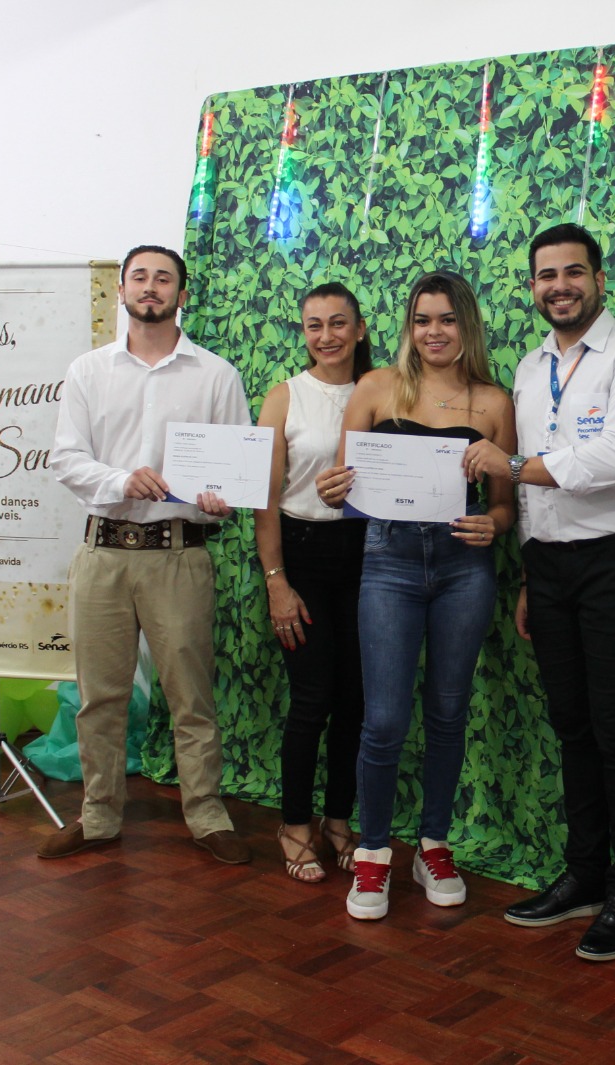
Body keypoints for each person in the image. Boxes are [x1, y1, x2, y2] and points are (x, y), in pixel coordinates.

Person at [462, 223, 615, 962]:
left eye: (573, 272)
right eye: (547, 276)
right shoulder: (528, 365)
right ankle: (583, 874)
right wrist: (527, 571)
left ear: (599, 280)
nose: (560, 287)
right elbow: (534, 492)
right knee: (572, 725)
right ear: (533, 287)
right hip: (548, 566)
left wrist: (512, 465)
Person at [40, 244, 253, 865]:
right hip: (103, 554)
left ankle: (206, 814)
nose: (151, 287)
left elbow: (234, 470)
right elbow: (66, 458)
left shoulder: (216, 375)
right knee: (99, 697)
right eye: (140, 277)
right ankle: (99, 816)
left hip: (178, 555)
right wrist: (121, 480)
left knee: (191, 696)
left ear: (181, 294)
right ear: (122, 291)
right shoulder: (88, 371)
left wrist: (222, 498)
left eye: (164, 278)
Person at [318, 270, 515, 921]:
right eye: (423, 319)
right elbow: (344, 484)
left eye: (447, 319)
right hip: (390, 562)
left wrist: (494, 524)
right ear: (409, 327)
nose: (434, 331)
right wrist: (332, 488)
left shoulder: (494, 402)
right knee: (384, 719)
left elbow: (505, 506)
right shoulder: (376, 388)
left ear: (467, 326)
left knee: (448, 712)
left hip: (464, 567)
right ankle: (374, 850)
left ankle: (433, 843)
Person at [254, 282, 373, 882]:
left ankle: (338, 819)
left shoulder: (382, 390)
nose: (326, 336)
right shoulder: (284, 397)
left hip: (367, 555)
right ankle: (294, 823)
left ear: (359, 329)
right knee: (312, 698)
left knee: (356, 698)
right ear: (303, 333)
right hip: (301, 555)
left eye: (338, 323)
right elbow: (264, 499)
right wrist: (277, 582)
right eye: (314, 325)